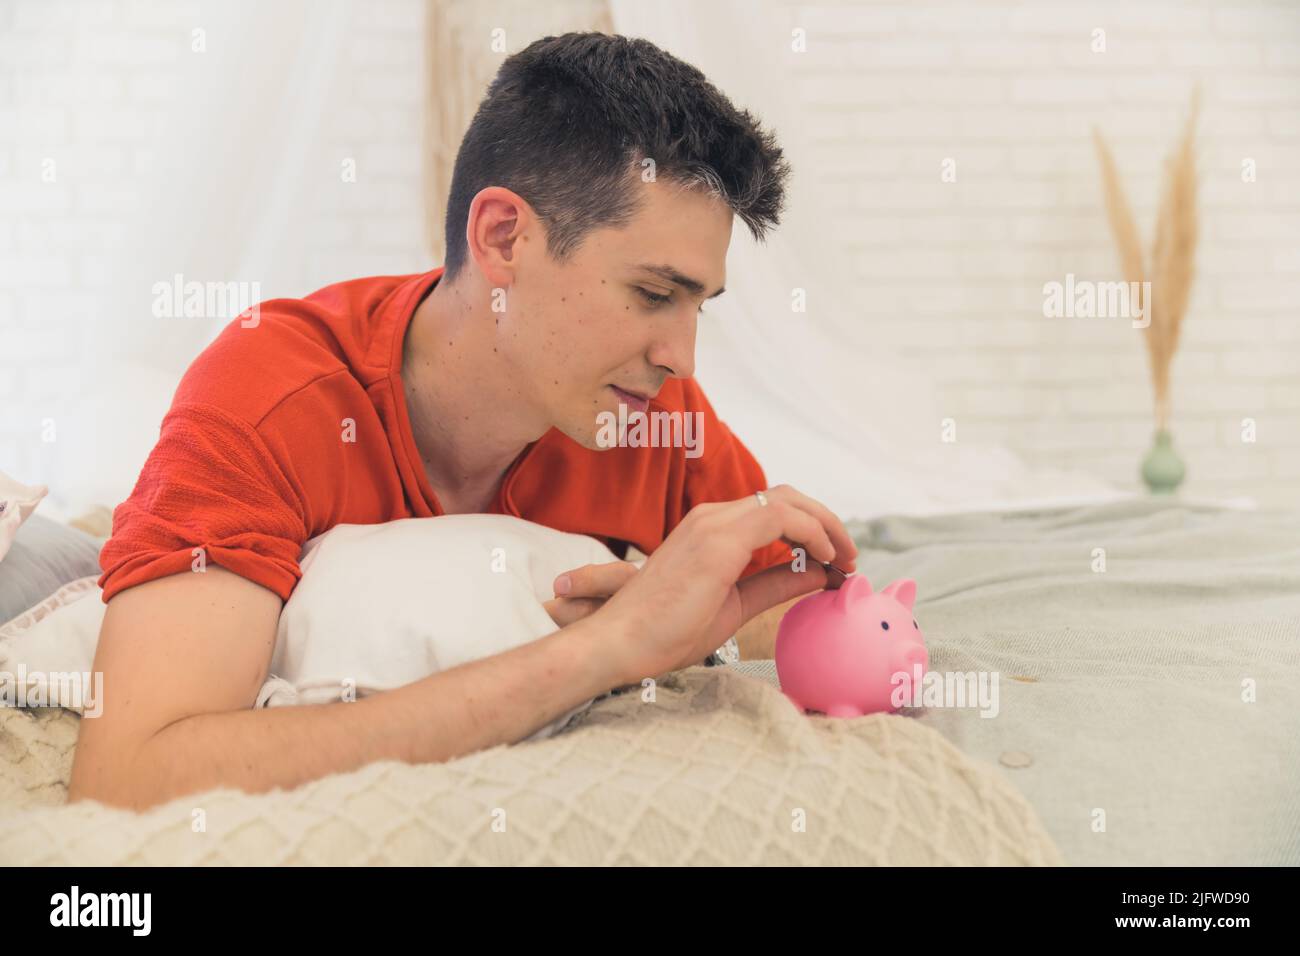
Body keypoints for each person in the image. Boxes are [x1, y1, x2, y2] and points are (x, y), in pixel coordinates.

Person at [69, 32, 857, 812]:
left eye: (698, 307)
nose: (682, 357)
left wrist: (699, 626)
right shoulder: (272, 397)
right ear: (502, 238)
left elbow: (787, 613)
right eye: (654, 294)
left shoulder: (650, 415)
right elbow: (129, 779)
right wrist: (602, 652)